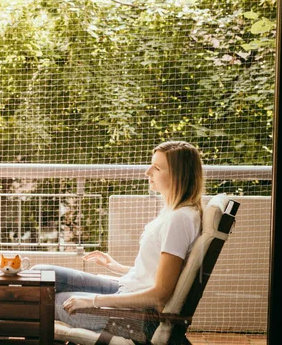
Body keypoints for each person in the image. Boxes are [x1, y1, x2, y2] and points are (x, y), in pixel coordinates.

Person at [32, 140, 206, 333]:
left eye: (156, 168)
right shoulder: (176, 212)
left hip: (137, 315)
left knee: (41, 300)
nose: (147, 172)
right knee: (41, 272)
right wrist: (115, 267)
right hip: (128, 288)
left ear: (178, 176)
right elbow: (155, 274)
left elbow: (159, 295)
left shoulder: (179, 220)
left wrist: (94, 301)